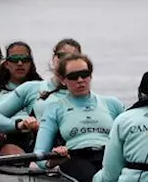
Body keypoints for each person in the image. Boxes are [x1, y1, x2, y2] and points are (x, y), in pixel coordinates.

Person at [34, 53, 125, 182]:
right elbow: (40, 155)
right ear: (63, 80)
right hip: (75, 158)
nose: (80, 80)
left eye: (85, 74)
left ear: (91, 75)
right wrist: (52, 162)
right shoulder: (54, 108)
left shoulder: (112, 104)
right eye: (73, 76)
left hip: (109, 155)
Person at [0, 37, 81, 135]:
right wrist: (19, 124)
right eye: (62, 56)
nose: (67, 61)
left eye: (73, 58)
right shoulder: (31, 88)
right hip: (40, 146)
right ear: (53, 59)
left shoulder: (90, 98)